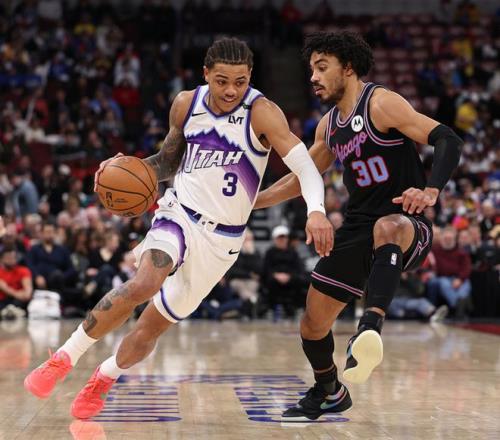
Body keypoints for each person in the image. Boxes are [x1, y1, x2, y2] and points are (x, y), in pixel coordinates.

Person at [24, 37, 333, 419]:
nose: (231, 90)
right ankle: (63, 357)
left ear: (250, 76)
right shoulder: (186, 104)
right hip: (179, 213)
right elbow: (168, 161)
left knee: (150, 329)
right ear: (205, 74)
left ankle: (105, 376)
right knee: (144, 283)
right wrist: (130, 167)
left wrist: (316, 211)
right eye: (221, 81)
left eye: (240, 81)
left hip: (222, 241)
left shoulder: (263, 113)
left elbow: (306, 168)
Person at [255, 31, 463, 421]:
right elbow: (301, 177)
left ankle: (369, 328)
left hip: (406, 222)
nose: (313, 77)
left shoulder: (381, 104)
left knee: (387, 226)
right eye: (311, 70)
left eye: (322, 68)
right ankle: (329, 391)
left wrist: (431, 190)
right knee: (312, 324)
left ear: (348, 67)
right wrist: (253, 202)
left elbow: (447, 139)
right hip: (357, 227)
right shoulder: (328, 126)